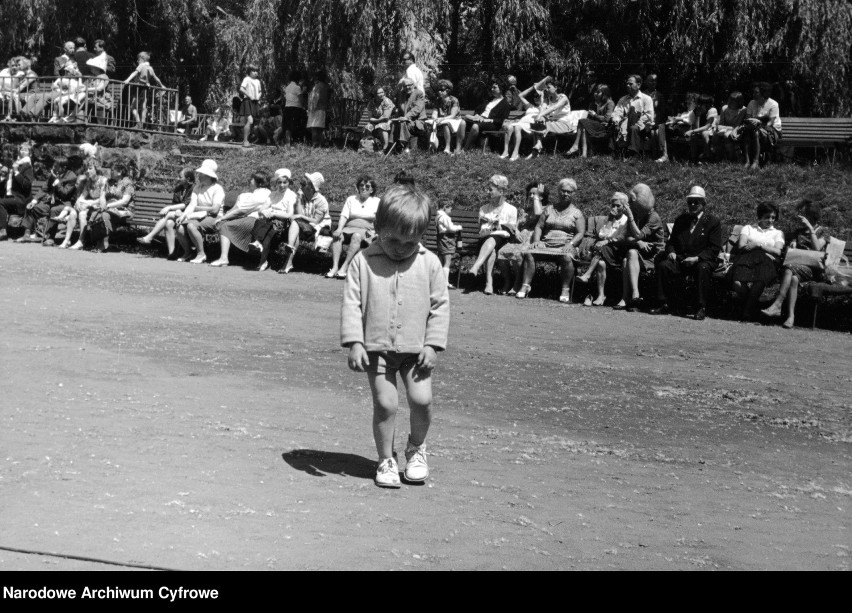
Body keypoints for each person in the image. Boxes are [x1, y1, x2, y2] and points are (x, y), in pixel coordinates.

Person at [340, 183, 449, 488]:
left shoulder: (429, 262)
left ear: (422, 235)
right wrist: (355, 342)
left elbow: (440, 305)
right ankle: (386, 459)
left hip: (416, 351)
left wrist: (433, 344)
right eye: (394, 239)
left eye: (410, 241)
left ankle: (416, 448)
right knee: (386, 405)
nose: (401, 247)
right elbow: (352, 303)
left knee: (422, 400)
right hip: (377, 349)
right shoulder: (363, 261)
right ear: (378, 227)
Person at [651, 186, 722, 321]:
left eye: (697, 202)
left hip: (702, 259)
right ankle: (664, 303)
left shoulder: (713, 222)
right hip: (682, 258)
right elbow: (671, 242)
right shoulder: (681, 220)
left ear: (704, 203)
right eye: (690, 202)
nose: (693, 205)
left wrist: (697, 258)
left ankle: (701, 307)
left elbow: (714, 248)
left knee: (703, 269)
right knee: (664, 266)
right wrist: (671, 252)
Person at [761, 199, 827, 329]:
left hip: (814, 269)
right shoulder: (799, 232)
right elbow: (791, 249)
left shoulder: (824, 231)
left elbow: (818, 248)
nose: (801, 217)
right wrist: (793, 244)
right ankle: (791, 317)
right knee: (794, 279)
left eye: (804, 214)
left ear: (811, 216)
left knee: (789, 269)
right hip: (797, 267)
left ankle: (778, 304)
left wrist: (810, 228)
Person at [518, 178, 585, 302]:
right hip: (546, 243)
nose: (565, 194)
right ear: (558, 191)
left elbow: (580, 233)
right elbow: (539, 226)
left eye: (569, 192)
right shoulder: (549, 209)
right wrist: (536, 240)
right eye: (563, 191)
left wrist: (571, 244)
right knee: (530, 253)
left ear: (574, 194)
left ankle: (565, 289)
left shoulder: (577, 213)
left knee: (567, 257)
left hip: (565, 244)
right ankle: (525, 286)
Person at [603, 183, 664, 311]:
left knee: (629, 256)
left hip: (653, 255)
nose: (630, 204)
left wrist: (630, 218)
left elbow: (638, 234)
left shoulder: (653, 217)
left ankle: (630, 297)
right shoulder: (636, 215)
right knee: (628, 257)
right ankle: (631, 297)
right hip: (637, 254)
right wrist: (638, 243)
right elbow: (626, 237)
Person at [728, 201, 785, 320]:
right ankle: (754, 306)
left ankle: (747, 313)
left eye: (773, 217)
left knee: (759, 280)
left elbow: (778, 251)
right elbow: (742, 246)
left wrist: (758, 245)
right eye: (767, 217)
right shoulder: (748, 228)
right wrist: (766, 247)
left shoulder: (777, 233)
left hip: (766, 261)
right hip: (747, 259)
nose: (770, 220)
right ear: (760, 216)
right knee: (738, 283)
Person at [209, 170, 272, 267]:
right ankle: (231, 256)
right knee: (225, 224)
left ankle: (223, 258)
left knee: (225, 226)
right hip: (255, 220)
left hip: (254, 221)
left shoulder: (259, 195)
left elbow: (241, 210)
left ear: (258, 182)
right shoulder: (266, 192)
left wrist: (222, 218)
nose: (250, 181)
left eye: (252, 179)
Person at [576, 192, 629, 306]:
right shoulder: (609, 219)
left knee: (602, 247)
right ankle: (600, 296)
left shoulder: (626, 220)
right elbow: (601, 235)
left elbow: (621, 238)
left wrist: (607, 240)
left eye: (618, 206)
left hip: (618, 252)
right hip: (605, 252)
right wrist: (610, 220)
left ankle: (588, 274)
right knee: (600, 263)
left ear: (624, 207)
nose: (614, 208)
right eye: (613, 205)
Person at [468, 175, 518, 295]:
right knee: (491, 244)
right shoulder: (484, 208)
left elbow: (510, 230)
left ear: (501, 191)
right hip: (486, 240)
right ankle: (488, 282)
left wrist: (496, 226)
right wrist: (496, 226)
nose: (487, 192)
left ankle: (479, 270)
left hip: (504, 240)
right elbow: (482, 229)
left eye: (490, 189)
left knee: (492, 240)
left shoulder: (511, 209)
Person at [17, 156, 80, 245]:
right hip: (51, 203)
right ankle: (26, 234)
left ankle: (50, 238)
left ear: (63, 167)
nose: (53, 168)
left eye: (56, 166)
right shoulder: (53, 175)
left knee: (54, 210)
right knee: (31, 207)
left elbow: (65, 194)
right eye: (54, 165)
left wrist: (57, 182)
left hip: (65, 204)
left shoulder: (71, 177)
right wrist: (34, 201)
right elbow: (44, 189)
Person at [497, 182, 546, 295]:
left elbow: (538, 214)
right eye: (530, 194)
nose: (531, 196)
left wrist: (537, 199)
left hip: (533, 237)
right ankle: (508, 282)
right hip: (519, 237)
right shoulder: (524, 210)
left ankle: (518, 283)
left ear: (541, 196)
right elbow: (516, 224)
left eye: (534, 194)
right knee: (502, 253)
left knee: (517, 254)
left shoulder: (545, 209)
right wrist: (517, 231)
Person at [327, 175, 380, 279]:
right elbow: (344, 216)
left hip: (367, 230)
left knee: (356, 236)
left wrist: (378, 232)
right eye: (361, 185)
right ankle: (334, 267)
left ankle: (345, 266)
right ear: (358, 187)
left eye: (367, 186)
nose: (364, 188)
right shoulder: (351, 199)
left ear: (372, 189)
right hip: (349, 227)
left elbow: (380, 219)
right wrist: (339, 229)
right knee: (338, 237)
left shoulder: (376, 201)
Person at [174, 159, 225, 264]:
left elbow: (215, 210)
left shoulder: (217, 189)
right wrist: (183, 215)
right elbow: (192, 205)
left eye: (201, 174)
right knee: (179, 225)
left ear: (208, 175)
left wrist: (200, 209)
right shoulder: (197, 187)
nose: (198, 175)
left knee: (191, 226)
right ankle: (187, 252)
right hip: (199, 216)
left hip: (215, 217)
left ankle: (201, 254)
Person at [137, 167, 195, 257]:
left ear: (188, 179)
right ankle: (172, 253)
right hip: (177, 215)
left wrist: (169, 208)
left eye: (180, 177)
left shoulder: (193, 189)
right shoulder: (178, 188)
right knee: (168, 223)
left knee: (168, 214)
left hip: (189, 214)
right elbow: (176, 203)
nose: (178, 179)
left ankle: (150, 237)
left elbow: (187, 204)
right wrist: (177, 209)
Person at [280, 172, 331, 274]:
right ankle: (290, 249)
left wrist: (301, 216)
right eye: (301, 184)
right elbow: (299, 216)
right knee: (296, 224)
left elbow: (316, 220)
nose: (301, 186)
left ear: (311, 187)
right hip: (304, 226)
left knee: (296, 223)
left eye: (303, 184)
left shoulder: (321, 201)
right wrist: (298, 200)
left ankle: (288, 261)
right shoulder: (302, 196)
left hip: (318, 228)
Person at [249, 168, 298, 272]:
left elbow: (289, 214)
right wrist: (264, 212)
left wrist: (274, 213)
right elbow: (262, 208)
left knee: (269, 228)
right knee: (262, 222)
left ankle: (261, 256)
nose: (282, 185)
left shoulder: (291, 195)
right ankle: (261, 253)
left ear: (289, 182)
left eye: (285, 182)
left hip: (282, 223)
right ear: (276, 183)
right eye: (279, 182)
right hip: (269, 221)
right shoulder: (273, 194)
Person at [79, 162, 135, 251]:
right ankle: (98, 243)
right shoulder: (109, 182)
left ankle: (103, 244)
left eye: (113, 171)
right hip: (109, 209)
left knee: (104, 215)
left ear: (119, 172)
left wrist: (108, 205)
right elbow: (103, 196)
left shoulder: (127, 183)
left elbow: (124, 201)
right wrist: (103, 203)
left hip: (125, 210)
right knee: (98, 213)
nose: (111, 172)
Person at [60, 160, 105, 249]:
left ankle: (81, 241)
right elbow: (82, 196)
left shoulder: (103, 180)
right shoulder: (89, 182)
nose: (87, 171)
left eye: (90, 168)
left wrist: (87, 203)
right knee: (73, 213)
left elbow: (103, 198)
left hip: (99, 206)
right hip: (89, 206)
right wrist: (78, 202)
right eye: (87, 169)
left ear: (97, 169)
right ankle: (66, 240)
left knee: (82, 214)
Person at [527, 77, 574, 158]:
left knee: (541, 121)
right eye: (546, 88)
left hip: (564, 124)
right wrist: (540, 115)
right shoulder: (548, 99)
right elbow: (542, 109)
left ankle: (536, 149)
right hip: (553, 123)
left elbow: (554, 107)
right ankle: (538, 145)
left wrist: (540, 115)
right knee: (540, 120)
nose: (547, 89)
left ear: (555, 88)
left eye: (549, 87)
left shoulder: (563, 97)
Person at [566, 84, 615, 158]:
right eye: (595, 92)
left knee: (582, 121)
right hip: (595, 124)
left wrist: (595, 115)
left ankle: (576, 146)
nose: (595, 93)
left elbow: (607, 119)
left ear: (605, 93)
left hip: (604, 127)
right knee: (583, 126)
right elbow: (590, 118)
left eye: (598, 92)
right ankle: (584, 154)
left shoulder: (610, 103)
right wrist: (592, 115)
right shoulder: (593, 103)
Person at [610, 74, 654, 156]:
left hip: (642, 124)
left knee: (633, 127)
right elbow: (617, 112)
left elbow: (649, 115)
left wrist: (636, 122)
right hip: (626, 123)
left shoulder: (646, 99)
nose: (627, 85)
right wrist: (616, 121)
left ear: (639, 85)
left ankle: (632, 154)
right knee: (614, 126)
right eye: (627, 84)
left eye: (630, 84)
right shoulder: (623, 99)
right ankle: (614, 152)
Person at [500, 84, 547, 161]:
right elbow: (520, 95)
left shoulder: (543, 107)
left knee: (517, 127)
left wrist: (542, 95)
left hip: (532, 126)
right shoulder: (530, 106)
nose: (536, 98)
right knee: (509, 127)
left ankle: (515, 153)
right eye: (535, 96)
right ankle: (506, 152)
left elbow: (542, 110)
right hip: (522, 123)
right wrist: (533, 88)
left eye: (538, 96)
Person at [458, 82, 511, 150]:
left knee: (475, 126)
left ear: (501, 89)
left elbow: (502, 120)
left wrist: (489, 120)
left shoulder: (505, 104)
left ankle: (465, 148)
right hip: (480, 119)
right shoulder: (489, 100)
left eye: (494, 87)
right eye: (492, 87)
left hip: (492, 124)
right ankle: (458, 148)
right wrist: (477, 115)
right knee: (462, 122)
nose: (492, 89)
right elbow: (478, 109)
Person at [742, 82, 782, 170]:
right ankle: (747, 161)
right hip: (753, 128)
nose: (754, 94)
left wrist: (760, 126)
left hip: (771, 130)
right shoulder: (752, 103)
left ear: (763, 93)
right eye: (754, 92)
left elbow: (770, 122)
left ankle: (755, 162)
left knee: (755, 132)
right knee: (747, 132)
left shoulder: (773, 104)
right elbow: (748, 118)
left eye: (756, 92)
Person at [0, 144, 34, 241]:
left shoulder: (27, 167)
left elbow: (27, 185)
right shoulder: (15, 164)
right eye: (21, 149)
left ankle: (2, 231)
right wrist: (3, 176)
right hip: (9, 198)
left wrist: (16, 172)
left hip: (20, 199)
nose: (23, 151)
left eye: (26, 150)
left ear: (30, 154)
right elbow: (7, 182)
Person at [123, 51, 165, 129]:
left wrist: (127, 80)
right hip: (146, 88)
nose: (137, 61)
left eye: (138, 59)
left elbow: (134, 73)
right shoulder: (150, 68)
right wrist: (162, 86)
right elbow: (156, 78)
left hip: (139, 87)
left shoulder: (141, 66)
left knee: (133, 107)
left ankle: (138, 124)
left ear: (142, 59)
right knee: (143, 107)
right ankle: (142, 125)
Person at [389, 78, 426, 154]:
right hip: (405, 120)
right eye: (405, 86)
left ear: (413, 85)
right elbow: (399, 108)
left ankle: (404, 146)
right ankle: (391, 147)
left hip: (417, 121)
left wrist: (406, 117)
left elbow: (417, 109)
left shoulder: (419, 93)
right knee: (394, 124)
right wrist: (395, 117)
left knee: (403, 123)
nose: (407, 87)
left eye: (409, 85)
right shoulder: (401, 94)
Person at [426, 80, 462, 154]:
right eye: (438, 90)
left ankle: (447, 147)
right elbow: (435, 112)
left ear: (448, 90)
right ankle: (431, 146)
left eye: (442, 90)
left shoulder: (454, 100)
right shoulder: (438, 100)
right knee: (430, 124)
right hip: (442, 120)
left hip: (455, 121)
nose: (439, 91)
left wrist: (441, 119)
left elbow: (453, 115)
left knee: (445, 124)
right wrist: (434, 118)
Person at [435, 199, 464, 289]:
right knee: (447, 261)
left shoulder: (438, 216)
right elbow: (451, 228)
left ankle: (439, 281)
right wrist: (459, 227)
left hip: (441, 239)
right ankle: (445, 283)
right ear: (445, 208)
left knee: (442, 260)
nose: (451, 211)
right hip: (447, 239)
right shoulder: (445, 217)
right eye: (450, 209)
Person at [711, 91, 747, 161]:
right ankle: (719, 157)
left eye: (733, 102)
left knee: (727, 135)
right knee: (715, 135)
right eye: (729, 101)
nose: (730, 103)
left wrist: (724, 127)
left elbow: (738, 125)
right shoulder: (724, 108)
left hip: (736, 130)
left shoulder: (743, 110)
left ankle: (731, 158)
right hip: (725, 128)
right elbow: (721, 123)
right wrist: (719, 127)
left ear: (738, 102)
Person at [364, 86, 395, 151]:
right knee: (368, 126)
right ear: (374, 95)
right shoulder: (371, 103)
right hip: (377, 121)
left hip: (390, 121)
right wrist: (377, 120)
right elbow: (369, 118)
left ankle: (385, 147)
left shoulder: (387, 101)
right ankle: (370, 146)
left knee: (382, 126)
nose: (382, 94)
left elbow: (386, 117)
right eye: (379, 93)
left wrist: (375, 120)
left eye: (382, 92)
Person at [238, 65, 263, 147]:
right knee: (250, 121)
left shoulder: (258, 81)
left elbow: (260, 91)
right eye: (253, 71)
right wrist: (249, 95)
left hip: (255, 102)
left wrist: (258, 97)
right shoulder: (247, 79)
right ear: (249, 71)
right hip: (248, 101)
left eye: (257, 71)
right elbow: (241, 89)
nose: (256, 73)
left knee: (253, 122)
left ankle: (247, 140)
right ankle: (245, 141)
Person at [281, 70, 306, 146]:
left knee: (288, 127)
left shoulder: (287, 87)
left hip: (287, 108)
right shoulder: (297, 87)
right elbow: (301, 99)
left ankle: (287, 143)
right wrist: (303, 92)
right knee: (295, 125)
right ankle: (297, 142)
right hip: (295, 109)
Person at [306, 70, 329, 147]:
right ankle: (321, 144)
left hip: (316, 109)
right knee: (320, 129)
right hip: (322, 109)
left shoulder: (317, 86)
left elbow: (314, 98)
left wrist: (310, 109)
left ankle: (315, 144)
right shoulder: (325, 86)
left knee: (314, 128)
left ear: (317, 77)